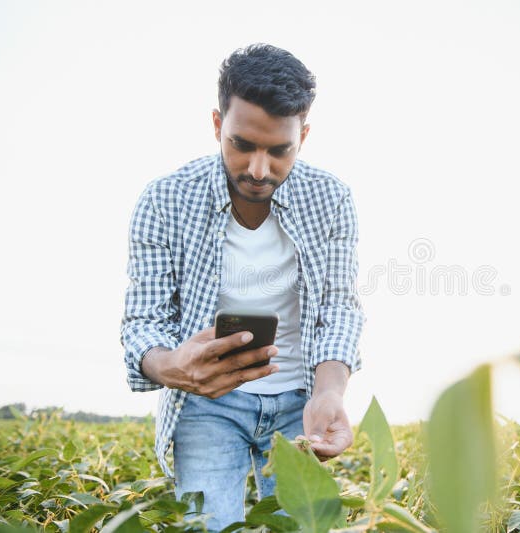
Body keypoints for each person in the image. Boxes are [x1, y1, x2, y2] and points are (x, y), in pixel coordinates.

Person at [120, 43, 365, 529]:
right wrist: (174, 367)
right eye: (241, 144)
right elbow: (142, 323)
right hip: (206, 406)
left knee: (305, 526)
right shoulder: (165, 199)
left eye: (280, 151)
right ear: (217, 125)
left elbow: (339, 307)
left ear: (304, 135)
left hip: (302, 403)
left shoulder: (331, 198)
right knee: (206, 526)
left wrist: (329, 391)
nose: (258, 169)